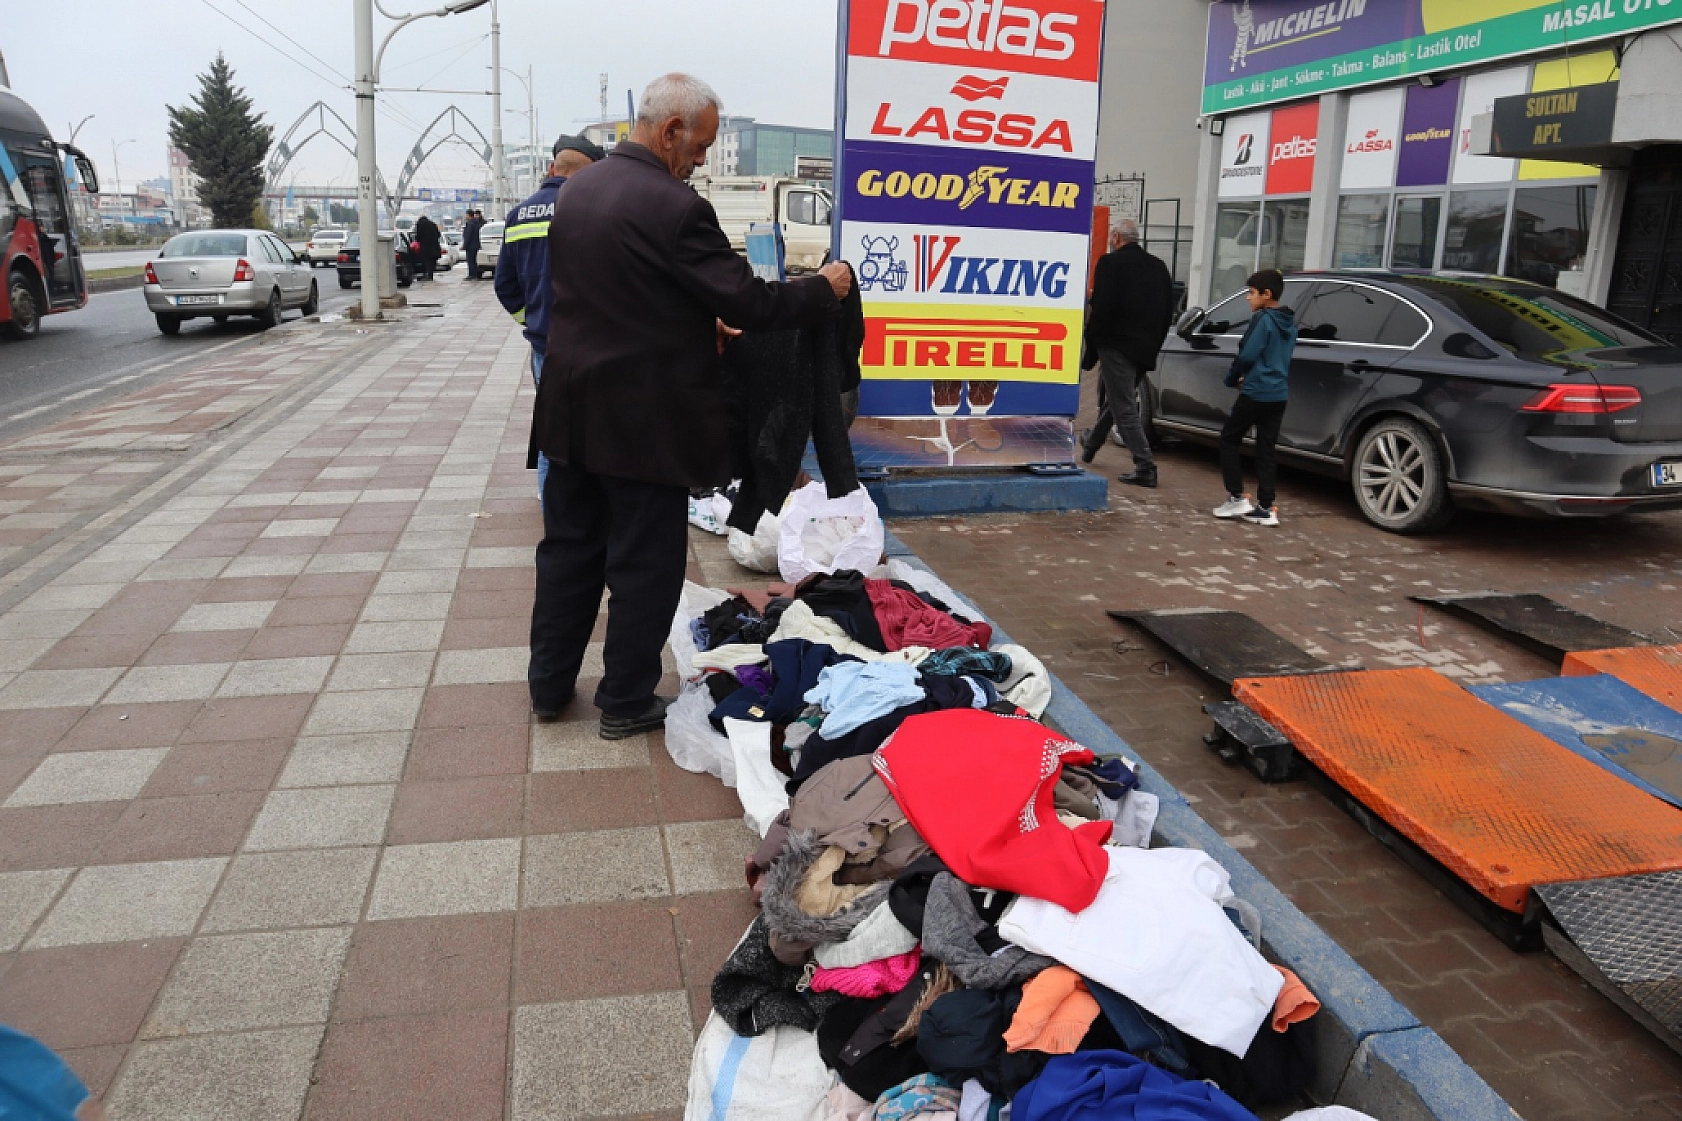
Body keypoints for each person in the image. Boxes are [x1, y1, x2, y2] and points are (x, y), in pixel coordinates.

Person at [530, 72, 853, 740]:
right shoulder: (676, 207)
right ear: (670, 130)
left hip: (568, 408)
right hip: (641, 425)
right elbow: (752, 303)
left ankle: (548, 685)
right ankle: (624, 699)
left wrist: (689, 322)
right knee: (644, 564)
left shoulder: (578, 191)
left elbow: (612, 291)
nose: (701, 159)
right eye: (700, 145)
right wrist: (822, 286)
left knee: (567, 553)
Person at [495, 134, 606, 498]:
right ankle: (587, 512)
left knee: (551, 433)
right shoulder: (591, 209)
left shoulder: (518, 215)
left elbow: (505, 285)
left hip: (545, 345)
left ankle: (553, 507)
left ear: (552, 168)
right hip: (590, 343)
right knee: (596, 430)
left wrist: (530, 321)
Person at [1081, 219, 1176, 488]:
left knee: (1123, 407)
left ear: (1116, 238)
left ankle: (1145, 466)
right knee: (1117, 400)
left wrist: (1092, 351)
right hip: (1144, 348)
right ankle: (1091, 443)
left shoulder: (1110, 265)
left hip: (1116, 346)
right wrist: (1153, 347)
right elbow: (1167, 311)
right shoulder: (1158, 267)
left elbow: (1101, 310)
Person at [1214, 269, 1297, 527]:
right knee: (1266, 449)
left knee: (1229, 439)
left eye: (1251, 293)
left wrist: (1232, 379)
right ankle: (1266, 507)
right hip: (1278, 393)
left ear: (1267, 294)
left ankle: (1237, 497)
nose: (1248, 299)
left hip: (1256, 391)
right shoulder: (1289, 322)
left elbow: (1248, 354)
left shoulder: (1264, 320)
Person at [412, 213, 441, 280]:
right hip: (434, 246)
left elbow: (418, 236)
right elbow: (438, 235)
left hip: (425, 247)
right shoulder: (433, 224)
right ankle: (430, 275)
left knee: (426, 261)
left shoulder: (420, 224)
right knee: (432, 261)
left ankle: (427, 275)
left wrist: (418, 240)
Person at [462, 209, 483, 279]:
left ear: (468, 215)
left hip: (470, 246)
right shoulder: (476, 223)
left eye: (466, 215)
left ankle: (472, 275)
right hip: (475, 245)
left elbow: (468, 235)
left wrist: (464, 245)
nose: (466, 216)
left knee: (470, 260)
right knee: (473, 260)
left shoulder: (470, 224)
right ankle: (475, 274)